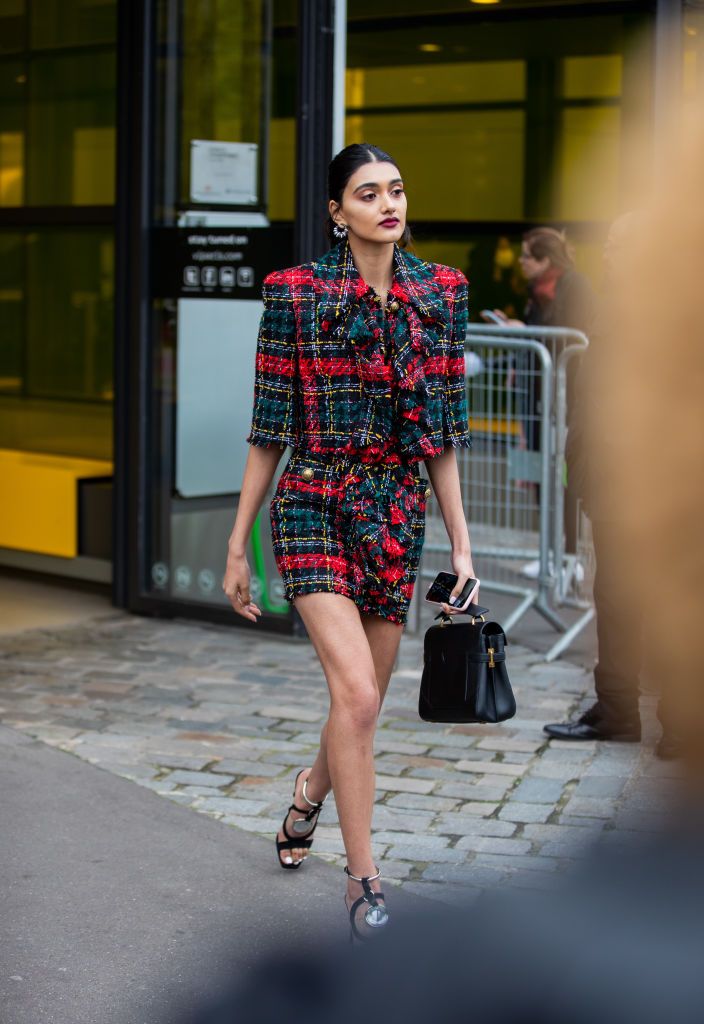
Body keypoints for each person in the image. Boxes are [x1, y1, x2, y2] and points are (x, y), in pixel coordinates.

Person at [221, 143, 477, 940]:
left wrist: (463, 551)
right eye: (368, 193)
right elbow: (269, 429)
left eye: (396, 189)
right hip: (312, 500)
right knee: (358, 695)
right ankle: (365, 883)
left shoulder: (441, 293)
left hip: (395, 512)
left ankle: (307, 795)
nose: (388, 204)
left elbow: (442, 435)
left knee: (361, 707)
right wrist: (238, 548)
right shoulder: (293, 296)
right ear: (338, 212)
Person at [542, 212, 678, 756]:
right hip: (614, 479)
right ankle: (618, 709)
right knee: (616, 597)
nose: (610, 256)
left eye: (622, 246)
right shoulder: (620, 304)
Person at [483, 227, 596, 568]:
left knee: (564, 474)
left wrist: (528, 334)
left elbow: (574, 338)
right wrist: (520, 331)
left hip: (568, 396)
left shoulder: (574, 286)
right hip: (537, 396)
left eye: (527, 255)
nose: (520, 261)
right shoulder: (536, 291)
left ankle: (571, 556)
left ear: (545, 259)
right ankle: (549, 553)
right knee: (539, 471)